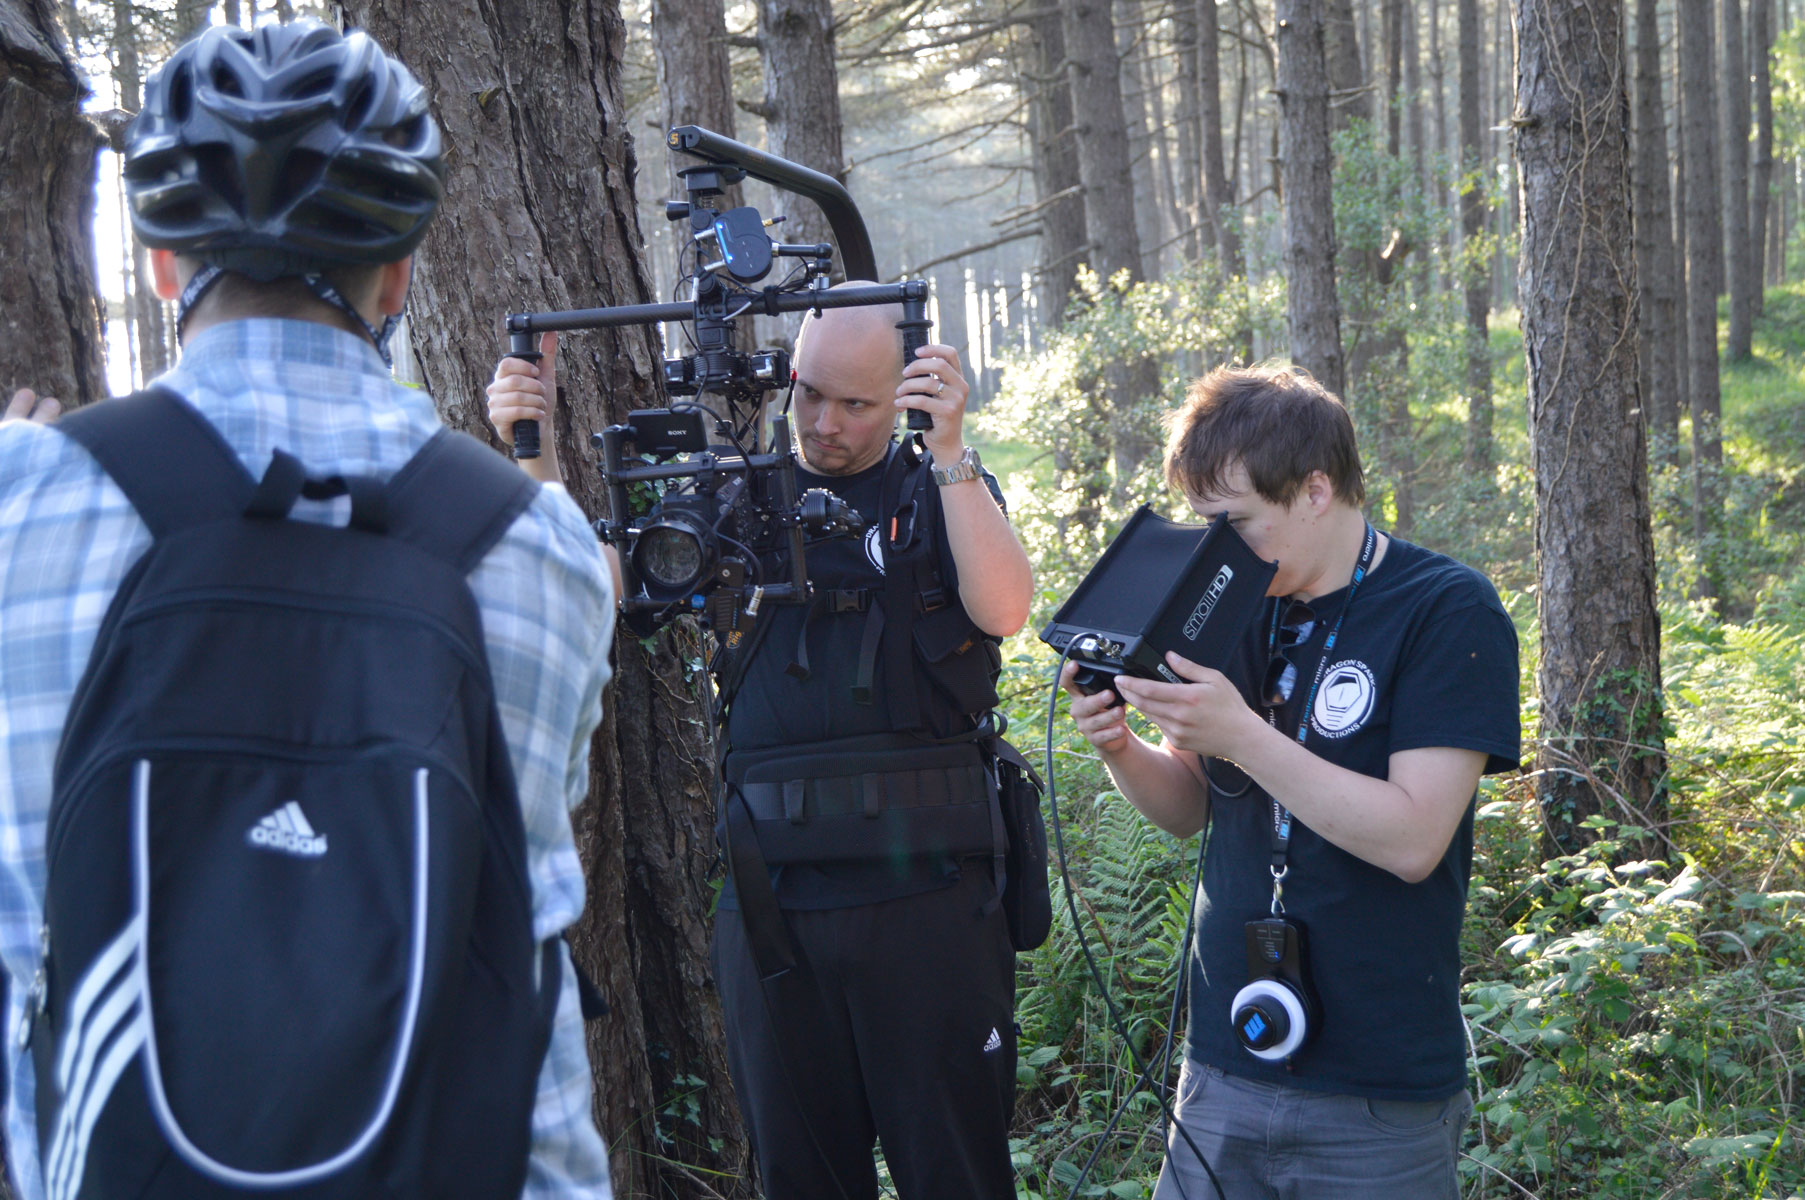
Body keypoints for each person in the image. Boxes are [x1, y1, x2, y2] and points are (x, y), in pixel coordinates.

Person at [0, 20, 614, 1199]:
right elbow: (526, 893)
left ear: (165, 265)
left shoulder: (29, 501)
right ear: (398, 274)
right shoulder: (536, 544)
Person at [487, 293, 1034, 1198]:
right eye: (809, 394)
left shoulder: (934, 488)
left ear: (902, 396)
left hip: (933, 906)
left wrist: (947, 451)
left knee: (957, 1174)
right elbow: (592, 594)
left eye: (855, 405)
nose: (824, 423)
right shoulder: (734, 495)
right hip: (775, 908)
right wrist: (533, 451)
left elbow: (1004, 608)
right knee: (799, 1177)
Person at [1062, 366, 1519, 1200]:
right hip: (1223, 1070)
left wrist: (1242, 733)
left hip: (1376, 1086)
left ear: (1315, 490)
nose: (1216, 552)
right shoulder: (1231, 604)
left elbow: (1416, 839)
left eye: (1233, 523)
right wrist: (1122, 749)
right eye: (1203, 525)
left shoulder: (1446, 609)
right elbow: (1192, 808)